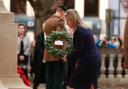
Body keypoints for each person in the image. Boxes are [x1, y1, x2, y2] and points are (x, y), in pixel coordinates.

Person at [63, 9, 101, 89]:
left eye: (67, 21)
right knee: (90, 85)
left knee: (72, 83)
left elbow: (78, 50)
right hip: (94, 60)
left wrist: (67, 57)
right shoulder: (85, 28)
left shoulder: (78, 31)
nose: (66, 23)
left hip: (88, 61)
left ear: (72, 19)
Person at [43, 5, 66, 89]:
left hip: (47, 52)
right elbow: (58, 37)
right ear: (62, 13)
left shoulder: (47, 21)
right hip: (56, 53)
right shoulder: (60, 20)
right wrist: (61, 53)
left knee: (49, 76)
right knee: (58, 76)